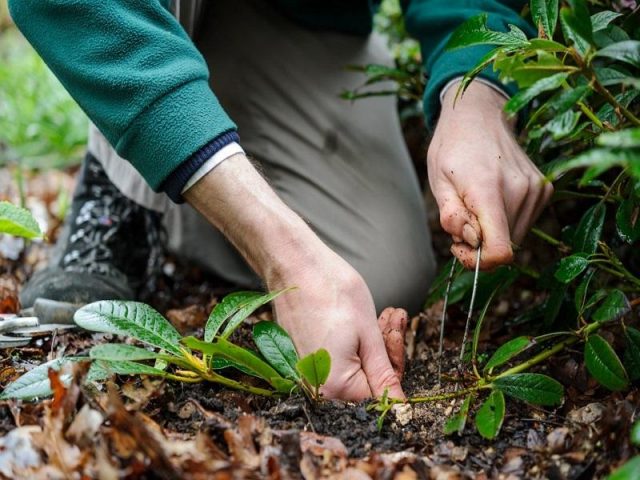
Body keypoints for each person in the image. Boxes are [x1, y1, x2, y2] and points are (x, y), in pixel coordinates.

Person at [9, 0, 552, 401]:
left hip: (298, 22)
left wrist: (475, 89)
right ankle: (122, 191)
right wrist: (285, 254)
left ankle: (187, 168)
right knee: (314, 276)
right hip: (145, 14)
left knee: (383, 278)